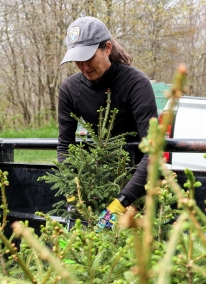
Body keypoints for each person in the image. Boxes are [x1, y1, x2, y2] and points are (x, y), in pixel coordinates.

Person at [57, 16, 158, 229]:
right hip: (96, 183)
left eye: (89, 57)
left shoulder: (136, 85)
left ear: (108, 48)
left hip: (138, 185)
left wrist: (121, 203)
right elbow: (65, 146)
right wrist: (73, 195)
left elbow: (152, 152)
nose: (83, 66)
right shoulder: (69, 89)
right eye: (77, 59)